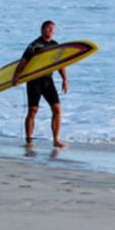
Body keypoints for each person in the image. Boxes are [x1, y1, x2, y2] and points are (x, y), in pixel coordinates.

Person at [11, 20, 68, 149]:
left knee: (57, 109)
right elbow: (23, 62)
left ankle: (56, 140)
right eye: (49, 29)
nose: (51, 31)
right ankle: (29, 140)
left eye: (53, 29)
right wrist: (16, 76)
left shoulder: (55, 45)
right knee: (33, 110)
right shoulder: (34, 45)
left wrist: (65, 80)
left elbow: (60, 64)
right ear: (42, 29)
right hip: (34, 81)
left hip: (48, 81)